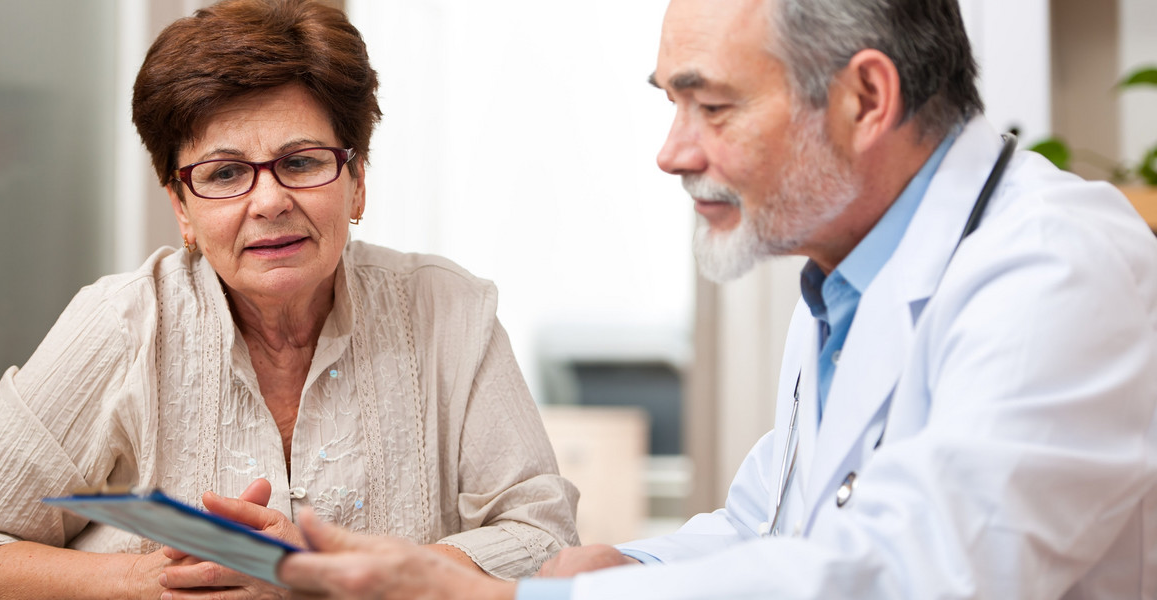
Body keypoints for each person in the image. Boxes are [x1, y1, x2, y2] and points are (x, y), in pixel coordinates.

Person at [273, 0, 1157, 598]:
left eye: (713, 107)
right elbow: (768, 523)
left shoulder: (1057, 266)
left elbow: (911, 569)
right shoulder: (845, 279)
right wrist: (601, 568)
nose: (673, 152)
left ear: (866, 98)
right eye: (671, 105)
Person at [0, 1, 579, 598]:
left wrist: (336, 575)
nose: (269, 201)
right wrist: (147, 584)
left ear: (357, 183)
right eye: (225, 174)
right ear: (182, 207)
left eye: (302, 163)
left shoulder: (450, 312)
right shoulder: (121, 324)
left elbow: (543, 537)